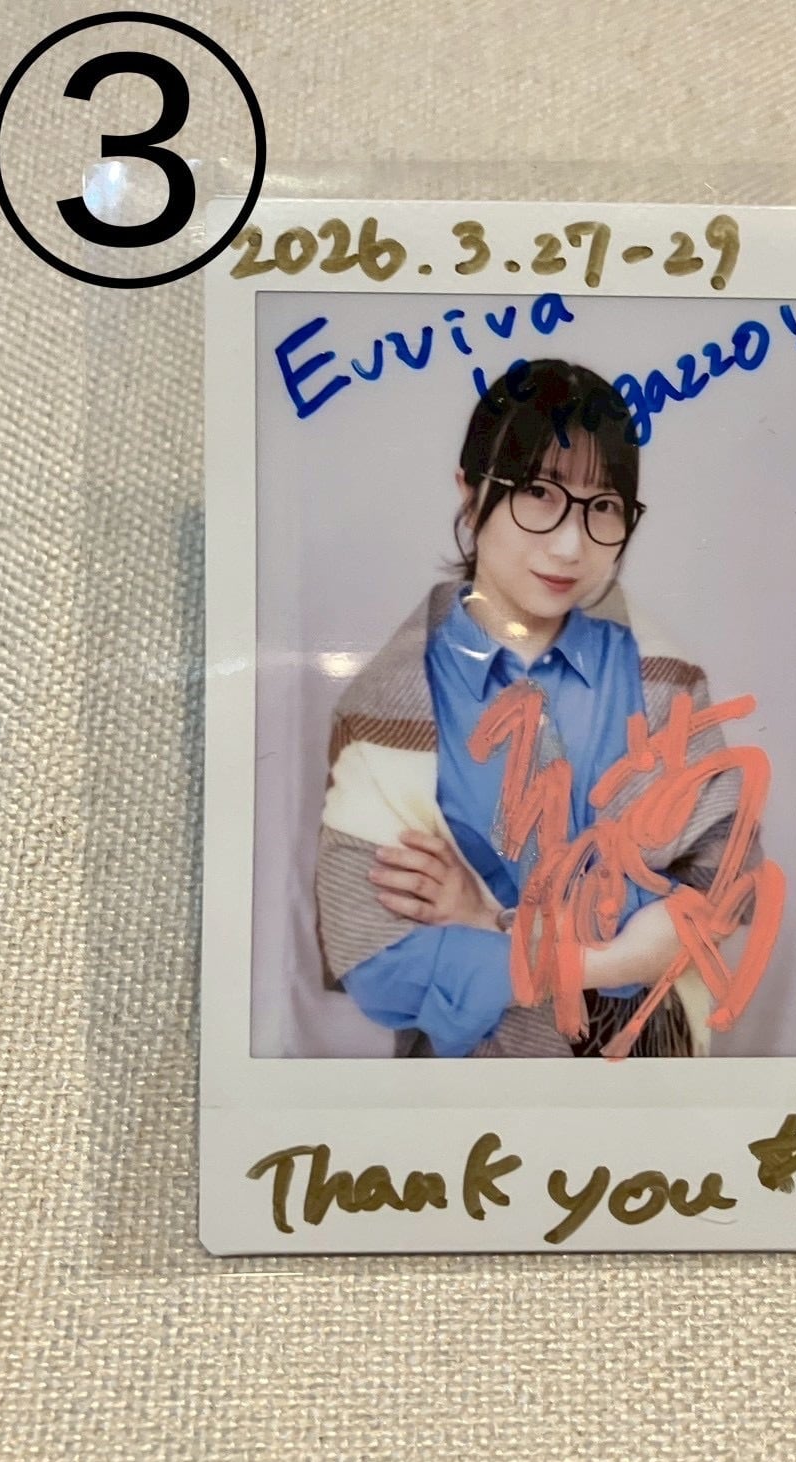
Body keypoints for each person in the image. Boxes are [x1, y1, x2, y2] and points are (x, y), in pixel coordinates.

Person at [314, 359, 748, 1059]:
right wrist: (623, 946)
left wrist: (488, 923)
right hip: (467, 1095)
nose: (571, 545)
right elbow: (374, 957)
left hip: (649, 1083)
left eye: (603, 507)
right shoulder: (386, 707)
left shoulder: (666, 684)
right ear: (470, 492)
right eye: (539, 494)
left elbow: (718, 892)